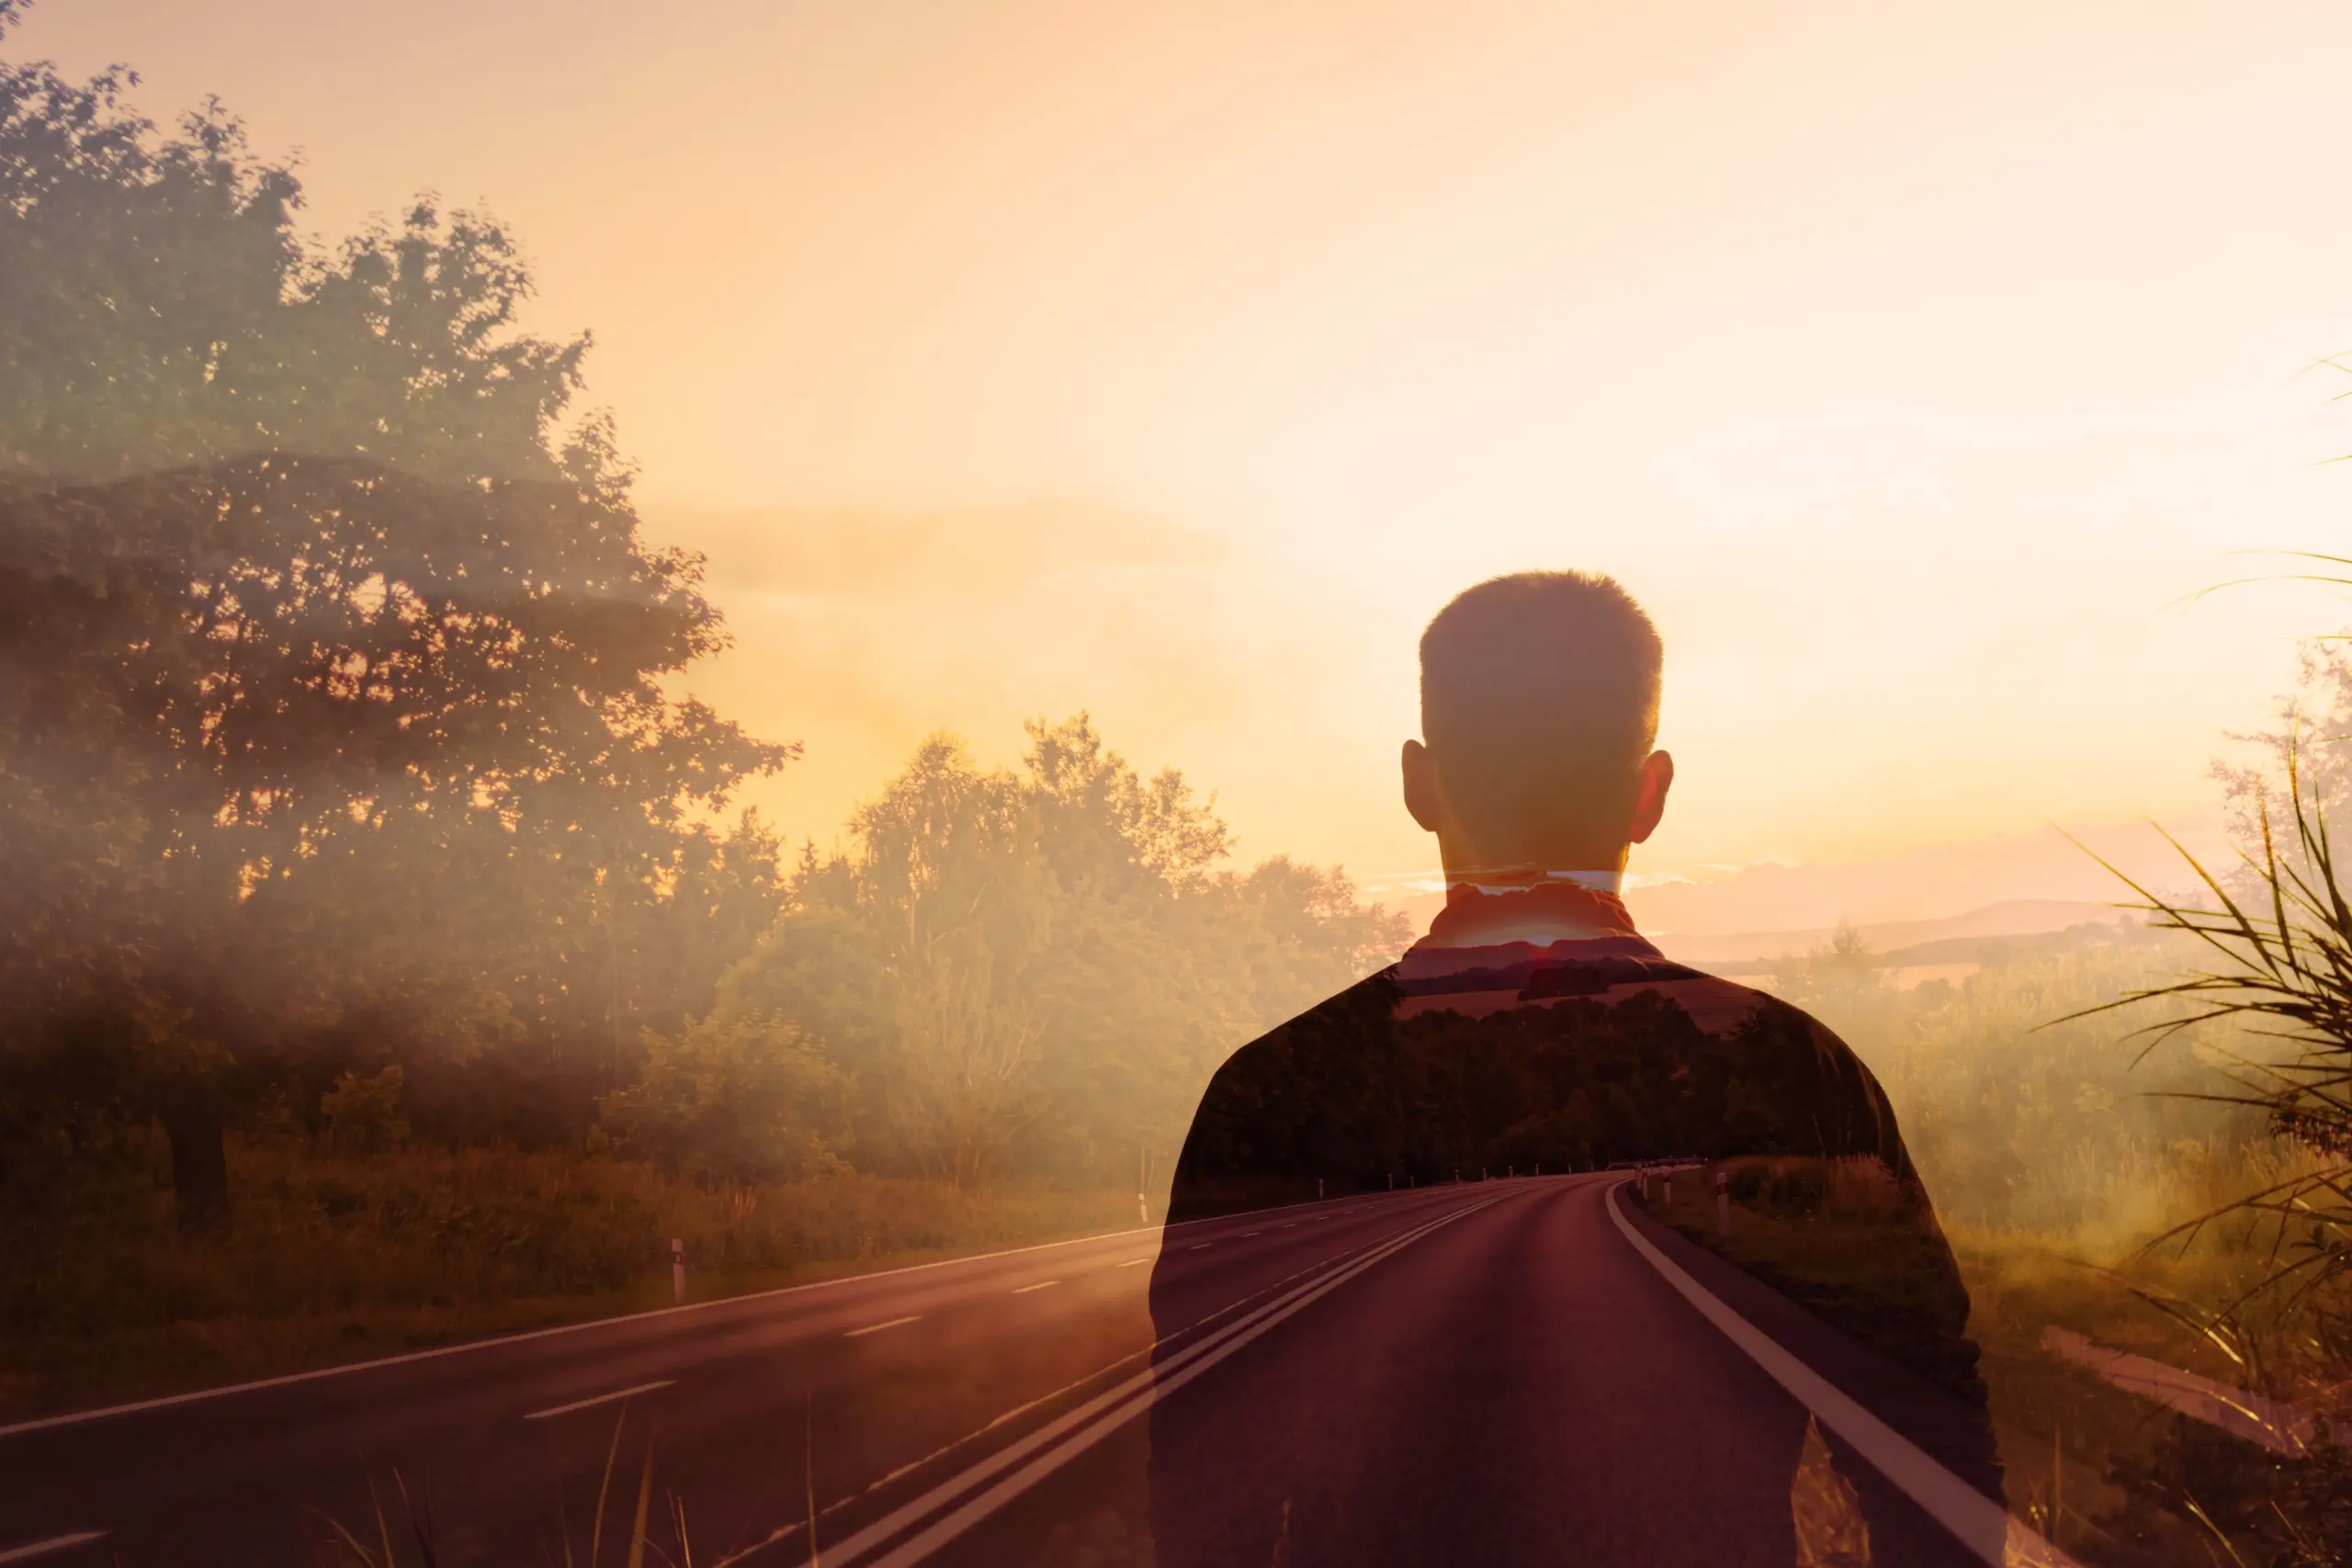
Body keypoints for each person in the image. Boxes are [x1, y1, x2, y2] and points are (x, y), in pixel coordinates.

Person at [1147, 570, 1999, 1568]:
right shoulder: (1792, 1070)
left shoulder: (1269, 1089)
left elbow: (1206, 1509)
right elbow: (1937, 1486)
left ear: (1418, 785)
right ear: (1652, 793)